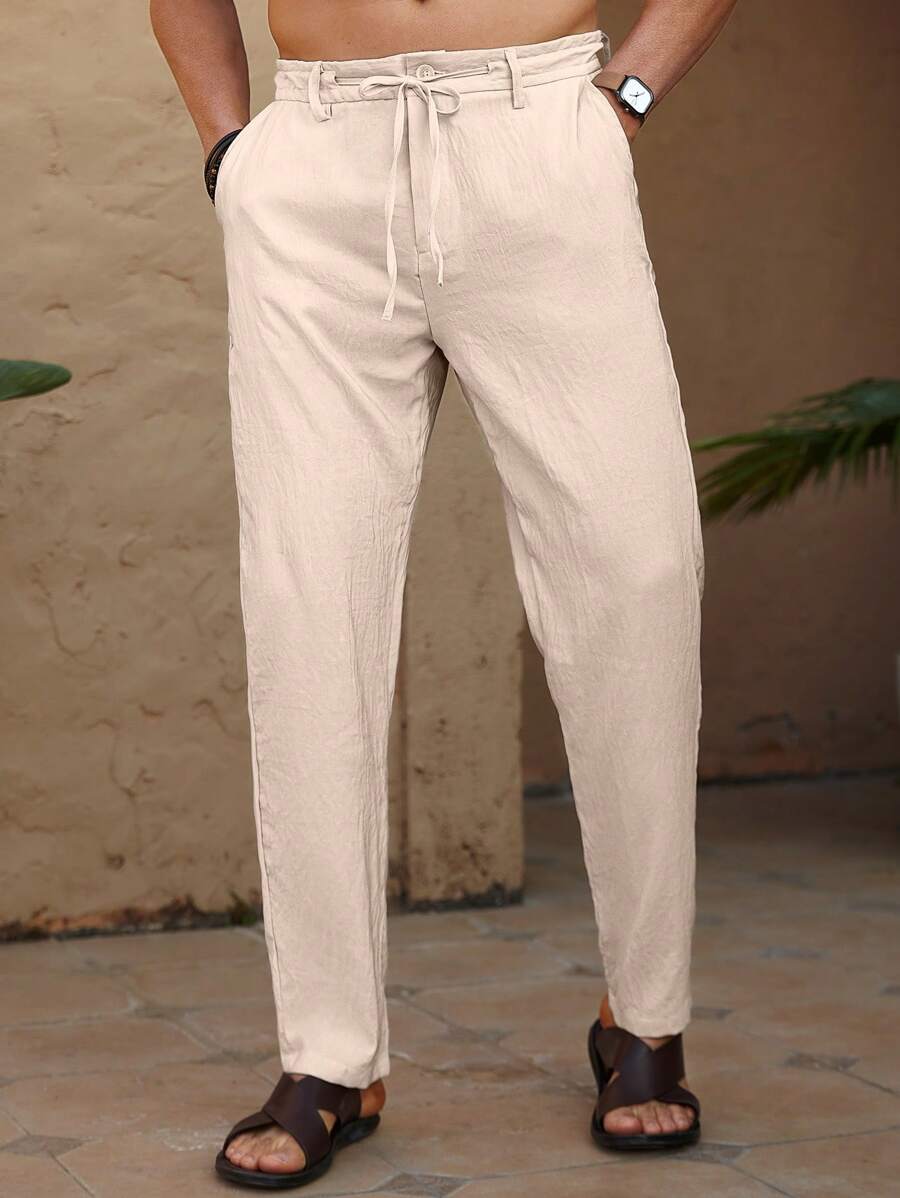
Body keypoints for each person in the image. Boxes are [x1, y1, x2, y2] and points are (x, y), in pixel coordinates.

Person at [150, 0, 736, 1187]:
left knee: (638, 576)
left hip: (540, 140)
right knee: (310, 605)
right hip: (319, 166)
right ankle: (329, 1057)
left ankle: (645, 1015)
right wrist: (230, 154)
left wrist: (623, 97)